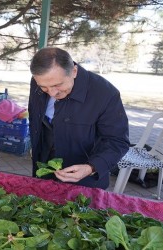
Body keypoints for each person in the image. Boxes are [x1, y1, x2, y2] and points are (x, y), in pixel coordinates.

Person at [28, 47, 130, 189]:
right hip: (44, 169)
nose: (51, 93)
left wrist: (91, 167)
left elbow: (117, 142)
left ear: (74, 71)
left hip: (85, 180)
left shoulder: (105, 94)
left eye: (58, 85)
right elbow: (35, 118)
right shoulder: (39, 82)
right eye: (44, 87)